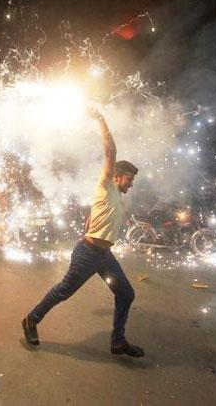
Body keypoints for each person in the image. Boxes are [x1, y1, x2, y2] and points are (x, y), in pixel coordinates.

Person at [22, 108, 144, 358]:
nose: (131, 184)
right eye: (129, 179)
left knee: (126, 293)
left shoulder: (116, 197)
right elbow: (110, 151)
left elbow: (100, 211)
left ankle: (118, 342)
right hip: (87, 254)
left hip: (105, 256)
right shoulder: (106, 184)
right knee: (63, 291)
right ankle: (31, 320)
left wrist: (91, 215)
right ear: (117, 176)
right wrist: (101, 120)